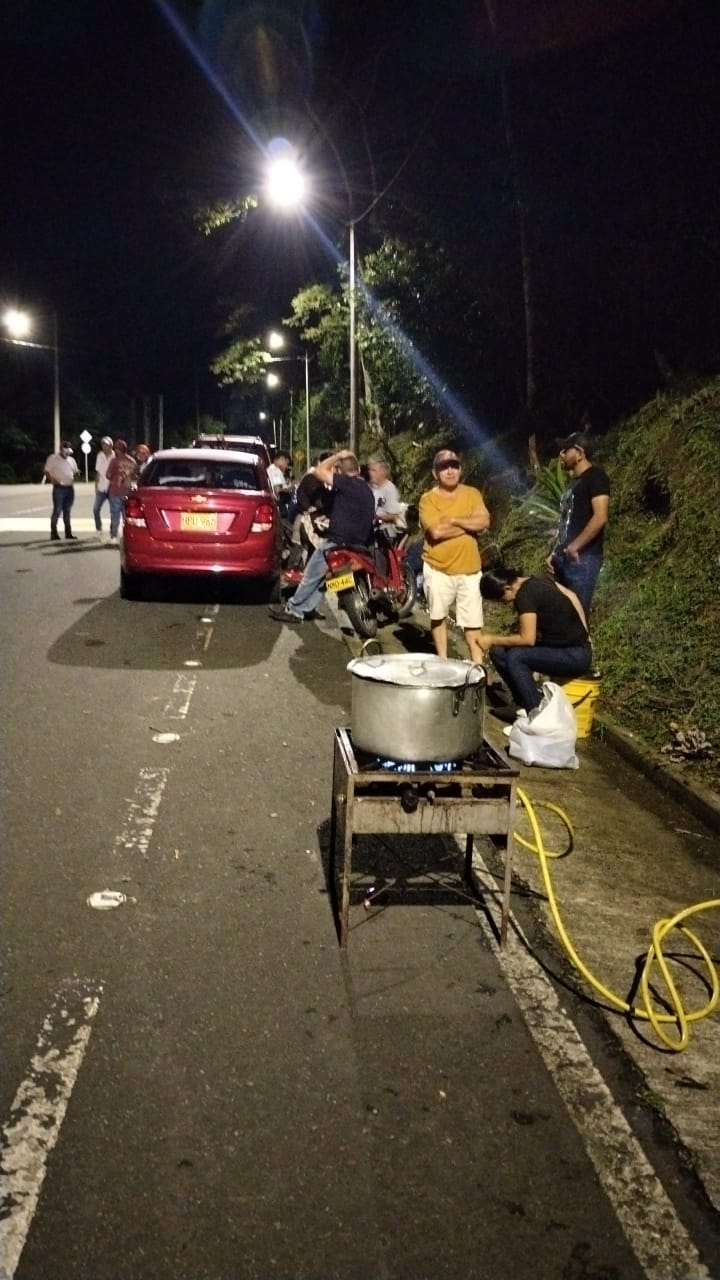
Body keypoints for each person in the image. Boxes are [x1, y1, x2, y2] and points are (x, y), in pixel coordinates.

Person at [269, 449, 375, 623]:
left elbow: (319, 471)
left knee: (311, 574)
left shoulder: (347, 482)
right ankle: (306, 608)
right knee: (324, 581)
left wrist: (337, 457)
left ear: (340, 471)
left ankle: (294, 609)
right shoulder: (366, 490)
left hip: (337, 542)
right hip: (358, 545)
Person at [478, 564, 592, 713]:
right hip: (572, 649)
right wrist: (587, 634)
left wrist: (492, 639)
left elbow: (527, 639)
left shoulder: (524, 596)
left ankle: (537, 714)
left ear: (507, 588)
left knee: (516, 657)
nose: (504, 603)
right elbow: (572, 596)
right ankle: (522, 703)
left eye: (500, 600)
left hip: (575, 655)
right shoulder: (539, 579)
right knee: (498, 652)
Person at [418, 448, 490, 662]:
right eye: (443, 467)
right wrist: (470, 525)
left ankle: (478, 666)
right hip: (438, 568)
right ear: (435, 473)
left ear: (460, 469)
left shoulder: (472, 494)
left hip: (470, 570)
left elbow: (485, 521)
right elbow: (436, 532)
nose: (450, 471)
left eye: (454, 466)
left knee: (473, 622)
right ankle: (442, 660)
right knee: (438, 616)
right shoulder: (427, 499)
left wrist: (456, 521)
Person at [546, 431, 610, 619]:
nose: (562, 454)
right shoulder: (573, 483)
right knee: (559, 616)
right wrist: (554, 553)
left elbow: (600, 516)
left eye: (566, 450)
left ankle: (583, 648)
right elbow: (566, 521)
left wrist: (575, 547)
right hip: (563, 559)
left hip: (583, 560)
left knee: (577, 617)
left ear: (580, 452)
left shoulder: (596, 477)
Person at [44, 441, 80, 541]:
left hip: (69, 488)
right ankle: (53, 533)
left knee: (67, 511)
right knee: (57, 510)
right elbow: (46, 470)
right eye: (66, 452)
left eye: (69, 452)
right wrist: (51, 479)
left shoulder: (72, 460)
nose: (68, 454)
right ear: (61, 450)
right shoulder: (53, 458)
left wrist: (77, 475)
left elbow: (76, 472)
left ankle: (68, 533)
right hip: (59, 488)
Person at [105, 439, 138, 545]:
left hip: (115, 490)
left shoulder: (115, 461)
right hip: (128, 492)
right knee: (127, 517)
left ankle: (114, 536)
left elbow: (108, 475)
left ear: (118, 450)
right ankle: (128, 537)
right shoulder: (132, 461)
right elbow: (136, 476)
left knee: (115, 515)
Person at [367, 458, 405, 541]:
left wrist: (376, 518)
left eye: (374, 470)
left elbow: (393, 515)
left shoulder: (389, 489)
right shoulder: (372, 488)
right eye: (370, 470)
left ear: (382, 472)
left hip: (385, 534)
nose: (370, 473)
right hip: (371, 532)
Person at [93, 436, 114, 539]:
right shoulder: (99, 455)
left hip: (112, 488)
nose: (104, 446)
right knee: (96, 509)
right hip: (101, 487)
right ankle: (99, 529)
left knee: (113, 511)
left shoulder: (115, 456)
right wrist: (96, 485)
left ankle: (112, 531)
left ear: (111, 445)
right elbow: (98, 471)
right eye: (103, 444)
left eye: (106, 444)